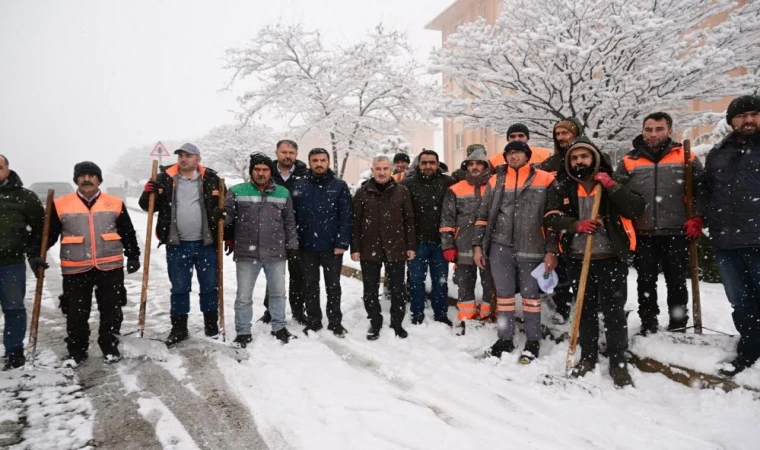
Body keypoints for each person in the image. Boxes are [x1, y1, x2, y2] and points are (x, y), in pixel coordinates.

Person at [544, 138, 645, 388]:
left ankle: (617, 362)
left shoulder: (614, 182)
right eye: (575, 158)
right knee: (584, 310)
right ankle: (587, 357)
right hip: (578, 259)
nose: (580, 162)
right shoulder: (564, 187)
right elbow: (550, 217)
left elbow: (635, 208)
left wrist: (611, 187)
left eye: (584, 157)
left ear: (595, 158)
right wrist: (574, 225)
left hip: (611, 258)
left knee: (613, 313)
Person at [617, 112, 706, 335]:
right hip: (643, 232)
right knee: (645, 282)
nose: (653, 134)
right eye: (649, 129)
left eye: (659, 129)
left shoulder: (686, 157)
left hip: (677, 230)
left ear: (669, 130)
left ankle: (678, 323)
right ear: (642, 130)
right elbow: (619, 195)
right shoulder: (629, 161)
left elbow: (702, 190)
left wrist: (697, 216)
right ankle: (648, 322)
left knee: (676, 281)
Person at [48, 162, 141, 367]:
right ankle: (77, 350)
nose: (87, 179)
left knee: (112, 309)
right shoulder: (61, 204)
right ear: (76, 179)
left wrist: (133, 255)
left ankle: (109, 346)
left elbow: (127, 231)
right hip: (75, 267)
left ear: (99, 179)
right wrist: (37, 253)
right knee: (76, 312)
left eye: (91, 175)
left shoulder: (114, 203)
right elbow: (50, 234)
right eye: (82, 175)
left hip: (110, 265)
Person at [473, 141, 557, 363]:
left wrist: (551, 249)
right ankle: (505, 338)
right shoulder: (496, 180)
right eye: (509, 153)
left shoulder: (545, 179)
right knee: (504, 298)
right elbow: (482, 216)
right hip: (500, 246)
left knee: (531, 298)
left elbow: (553, 220)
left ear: (527, 155)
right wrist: (478, 246)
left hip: (533, 246)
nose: (513, 156)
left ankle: (532, 340)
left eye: (518, 152)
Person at [140, 143, 225, 348]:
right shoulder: (165, 179)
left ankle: (211, 326)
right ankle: (179, 328)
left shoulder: (212, 179)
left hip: (206, 244)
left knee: (209, 287)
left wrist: (222, 219)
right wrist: (147, 192)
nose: (183, 159)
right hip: (177, 245)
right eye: (181, 156)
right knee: (179, 288)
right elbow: (147, 206)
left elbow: (225, 207)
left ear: (198, 159)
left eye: (188, 156)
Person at [703, 95, 760, 377]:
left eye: (754, 114)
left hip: (758, 239)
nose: (748, 120)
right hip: (726, 241)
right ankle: (749, 349)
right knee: (741, 301)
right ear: (730, 121)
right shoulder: (718, 153)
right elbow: (707, 192)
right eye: (741, 116)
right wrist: (702, 219)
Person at [225, 153, 299, 346]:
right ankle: (243, 331)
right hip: (246, 253)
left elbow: (289, 222)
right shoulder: (236, 191)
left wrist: (292, 246)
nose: (260, 173)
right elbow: (228, 220)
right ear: (251, 171)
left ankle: (279, 327)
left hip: (276, 252)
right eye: (257, 169)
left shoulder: (282, 193)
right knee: (243, 296)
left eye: (265, 169)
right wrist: (221, 217)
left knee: (278, 293)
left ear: (270, 171)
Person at [352, 155, 416, 340]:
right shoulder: (362, 192)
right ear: (372, 170)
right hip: (368, 247)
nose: (381, 172)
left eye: (385, 169)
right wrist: (355, 248)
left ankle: (397, 322)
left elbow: (409, 221)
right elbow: (355, 222)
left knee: (397, 288)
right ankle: (375, 320)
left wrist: (410, 245)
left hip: (396, 247)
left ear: (391, 170)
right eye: (378, 169)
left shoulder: (402, 191)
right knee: (370, 289)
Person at [292, 148, 352, 337]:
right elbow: (291, 216)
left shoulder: (339, 186)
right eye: (315, 160)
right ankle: (314, 320)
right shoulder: (299, 185)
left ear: (328, 162)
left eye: (322, 160)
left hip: (332, 247)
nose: (319, 163)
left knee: (333, 286)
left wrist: (342, 242)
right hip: (306, 246)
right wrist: (295, 242)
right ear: (309, 163)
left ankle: (335, 321)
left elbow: (346, 216)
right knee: (310, 285)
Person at [440, 148, 495, 335]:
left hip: (490, 245)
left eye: (478, 163)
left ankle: (488, 316)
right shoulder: (455, 189)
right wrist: (448, 245)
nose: (474, 167)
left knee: (490, 283)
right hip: (462, 244)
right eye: (471, 164)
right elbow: (447, 219)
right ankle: (466, 317)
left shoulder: (495, 186)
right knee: (465, 284)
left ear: (486, 166)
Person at [537, 118, 585, 324]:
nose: (562, 137)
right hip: (559, 221)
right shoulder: (550, 164)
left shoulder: (590, 157)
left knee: (587, 270)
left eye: (566, 133)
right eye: (558, 134)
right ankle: (563, 305)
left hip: (586, 219)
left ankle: (589, 309)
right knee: (561, 266)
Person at [0, 155, 45, 370]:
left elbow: (39, 229)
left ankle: (14, 350)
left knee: (14, 308)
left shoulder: (25, 198)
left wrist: (34, 254)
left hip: (11, 264)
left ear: (8, 169)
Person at [401, 150, 456, 326]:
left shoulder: (448, 183)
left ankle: (440, 313)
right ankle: (417, 313)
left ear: (438, 164)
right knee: (416, 280)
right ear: (419, 164)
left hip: (441, 242)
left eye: (432, 163)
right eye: (424, 163)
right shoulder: (407, 184)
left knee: (440, 280)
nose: (428, 166)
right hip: (417, 242)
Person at [259, 140, 309, 325]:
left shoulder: (305, 175)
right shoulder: (266, 173)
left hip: (299, 231)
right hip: (272, 231)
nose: (287, 156)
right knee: (274, 275)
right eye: (283, 152)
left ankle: (298, 310)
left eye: (291, 152)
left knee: (298, 275)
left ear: (296, 154)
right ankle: (270, 310)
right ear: (277, 153)